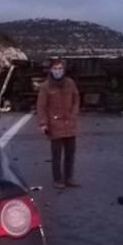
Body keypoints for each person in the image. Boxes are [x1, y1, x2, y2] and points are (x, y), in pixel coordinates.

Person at [36, 59, 81, 189]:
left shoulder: (70, 83)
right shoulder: (45, 86)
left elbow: (76, 99)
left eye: (60, 68)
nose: (58, 71)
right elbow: (41, 106)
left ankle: (69, 177)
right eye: (55, 69)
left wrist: (74, 113)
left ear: (64, 70)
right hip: (55, 125)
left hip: (70, 124)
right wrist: (43, 123)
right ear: (51, 70)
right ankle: (57, 179)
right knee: (56, 155)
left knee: (70, 153)